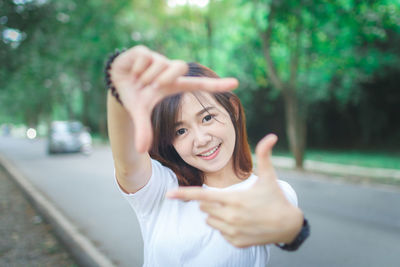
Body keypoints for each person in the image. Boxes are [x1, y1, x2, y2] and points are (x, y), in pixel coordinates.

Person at [106, 45, 308, 266]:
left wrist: (294, 229)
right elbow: (127, 165)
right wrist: (119, 86)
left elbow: (284, 224)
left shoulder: (268, 190)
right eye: (180, 131)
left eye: (207, 118)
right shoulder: (161, 189)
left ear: (233, 109)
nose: (201, 139)